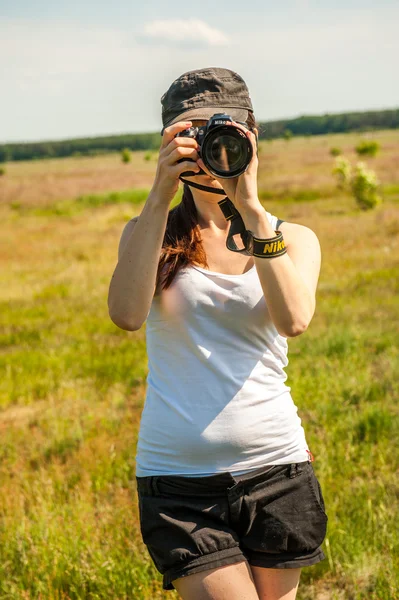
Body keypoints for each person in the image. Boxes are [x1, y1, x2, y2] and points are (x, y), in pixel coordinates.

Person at [108, 67, 328, 600]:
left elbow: (293, 320)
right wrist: (158, 197)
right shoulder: (148, 233)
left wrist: (251, 209)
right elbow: (126, 314)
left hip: (278, 468)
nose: (207, 149)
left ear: (251, 136)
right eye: (190, 134)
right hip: (178, 481)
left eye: (219, 132)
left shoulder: (292, 236)